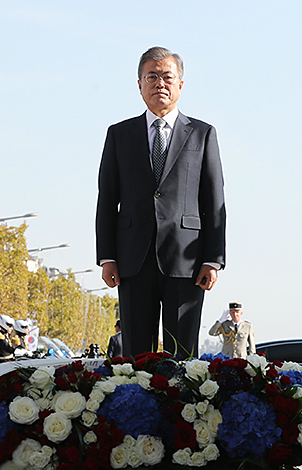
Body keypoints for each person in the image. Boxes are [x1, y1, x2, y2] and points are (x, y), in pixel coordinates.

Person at [96, 46, 226, 359]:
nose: (160, 83)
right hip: (131, 259)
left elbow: (214, 200)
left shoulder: (202, 134)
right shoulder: (119, 134)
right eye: (151, 76)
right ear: (139, 84)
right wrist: (107, 257)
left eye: (167, 76)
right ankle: (135, 409)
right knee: (135, 357)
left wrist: (213, 258)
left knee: (182, 356)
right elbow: (107, 198)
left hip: (187, 260)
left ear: (181, 84)